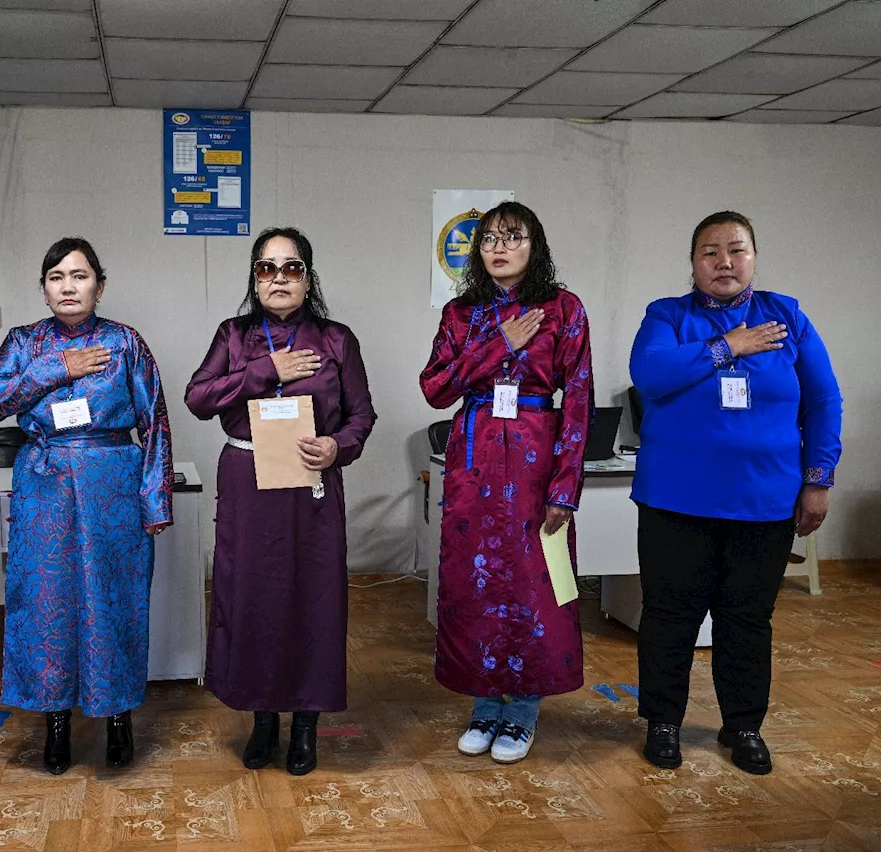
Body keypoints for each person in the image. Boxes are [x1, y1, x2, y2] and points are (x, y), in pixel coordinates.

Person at [630, 211, 842, 775]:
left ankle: (743, 725)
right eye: (709, 252)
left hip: (764, 501)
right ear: (693, 262)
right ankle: (663, 721)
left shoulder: (787, 316)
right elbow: (650, 375)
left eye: (736, 250)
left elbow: (823, 401)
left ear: (754, 257)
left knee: (746, 618)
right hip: (676, 501)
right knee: (670, 615)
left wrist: (818, 479)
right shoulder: (666, 316)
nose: (724, 262)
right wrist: (728, 346)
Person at [0, 237, 173, 776]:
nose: (68, 285)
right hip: (45, 485)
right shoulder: (23, 343)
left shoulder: (125, 342)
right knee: (46, 603)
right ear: (44, 289)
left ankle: (118, 718)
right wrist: (55, 368)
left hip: (112, 483)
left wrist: (154, 500)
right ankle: (55, 723)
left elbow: (154, 420)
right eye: (57, 276)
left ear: (99, 286)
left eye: (80, 275)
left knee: (114, 601)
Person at [186, 226, 376, 776]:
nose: (278, 278)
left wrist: (337, 446)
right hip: (248, 483)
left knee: (311, 600)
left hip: (310, 484)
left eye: (291, 267)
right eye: (266, 267)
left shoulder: (336, 338)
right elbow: (198, 397)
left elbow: (362, 415)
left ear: (308, 277)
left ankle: (307, 724)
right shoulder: (234, 334)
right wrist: (266, 370)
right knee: (252, 599)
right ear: (254, 277)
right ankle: (262, 718)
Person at [419, 201, 593, 764]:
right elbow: (435, 389)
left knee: (533, 587)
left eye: (512, 237)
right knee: (476, 586)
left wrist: (565, 486)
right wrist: (501, 343)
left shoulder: (564, 309)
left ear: (533, 245)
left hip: (536, 462)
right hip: (474, 462)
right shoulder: (459, 313)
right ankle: (484, 706)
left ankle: (522, 713)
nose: (498, 247)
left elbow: (580, 400)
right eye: (489, 238)